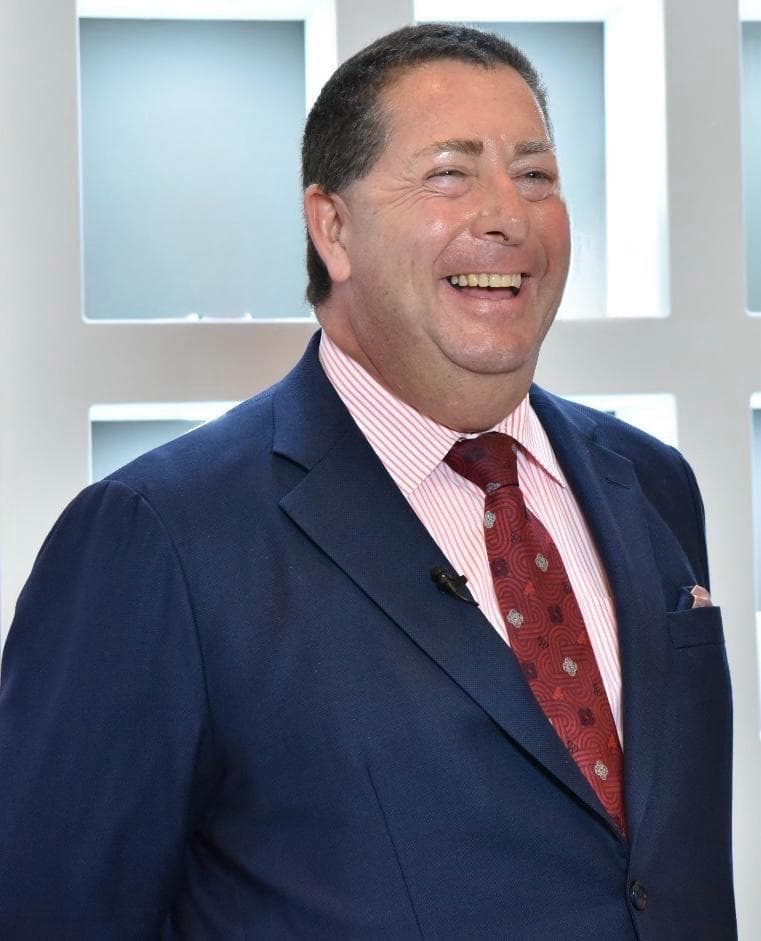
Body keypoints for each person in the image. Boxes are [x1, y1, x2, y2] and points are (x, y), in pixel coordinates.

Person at [0, 23, 735, 939]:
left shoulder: (652, 482)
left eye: (535, 174)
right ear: (333, 228)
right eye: (449, 173)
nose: (507, 214)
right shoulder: (159, 535)